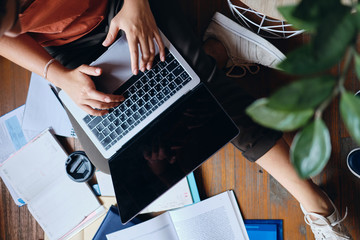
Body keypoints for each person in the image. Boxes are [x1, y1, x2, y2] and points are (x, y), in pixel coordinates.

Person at [0, 0, 352, 239]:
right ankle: (218, 50)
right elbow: (6, 38)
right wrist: (58, 76)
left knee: (205, 96)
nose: (15, 28)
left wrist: (135, 5)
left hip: (118, 6)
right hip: (68, 51)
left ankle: (317, 204)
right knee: (111, 156)